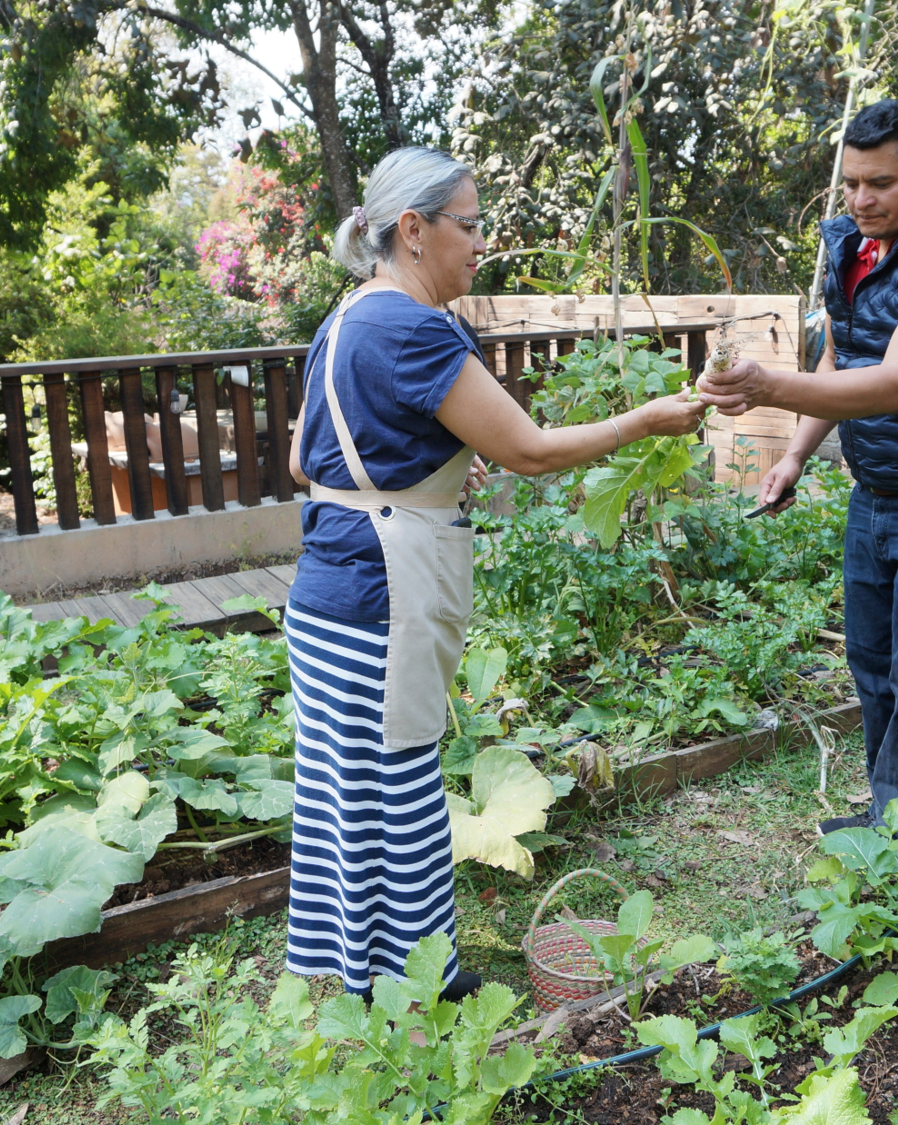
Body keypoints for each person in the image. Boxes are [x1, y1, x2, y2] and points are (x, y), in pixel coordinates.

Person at [283, 146, 706, 1003]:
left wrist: (427, 464)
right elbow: (530, 451)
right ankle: (422, 983)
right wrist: (646, 420)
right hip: (382, 598)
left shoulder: (347, 316)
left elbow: (304, 462)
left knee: (344, 793)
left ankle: (364, 971)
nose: (482, 244)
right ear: (412, 229)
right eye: (468, 225)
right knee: (401, 790)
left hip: (324, 596)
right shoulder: (416, 327)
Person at [697, 99, 898, 836]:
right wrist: (795, 454)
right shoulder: (857, 246)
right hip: (875, 489)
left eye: (879, 183)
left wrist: (765, 385)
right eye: (849, 183)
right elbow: (843, 357)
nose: (859, 200)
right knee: (871, 662)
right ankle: (887, 815)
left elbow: (895, 381)